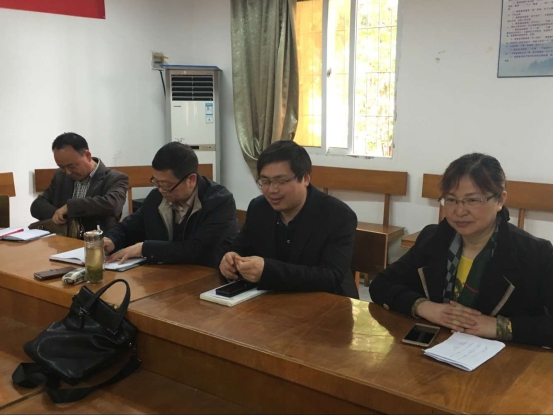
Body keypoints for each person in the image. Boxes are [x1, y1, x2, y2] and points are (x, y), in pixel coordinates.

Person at [369, 153, 552, 347]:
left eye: (472, 200)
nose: (459, 211)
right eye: (451, 200)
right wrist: (425, 307)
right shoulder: (433, 239)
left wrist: (500, 327)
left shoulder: (535, 254)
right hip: (436, 351)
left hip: (507, 360)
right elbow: (381, 284)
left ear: (500, 200)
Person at [219, 140, 359, 298]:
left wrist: (268, 271)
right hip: (271, 301)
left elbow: (330, 276)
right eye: (265, 181)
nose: (272, 190)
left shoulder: (338, 215)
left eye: (281, 181)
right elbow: (240, 248)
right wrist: (230, 260)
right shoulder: (259, 208)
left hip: (327, 302)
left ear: (305, 178)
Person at [104, 142, 238, 268]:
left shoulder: (219, 202)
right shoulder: (156, 198)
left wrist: (144, 248)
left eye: (166, 185)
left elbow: (198, 250)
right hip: (163, 276)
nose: (160, 189)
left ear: (191, 180)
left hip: (205, 277)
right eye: (156, 182)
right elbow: (129, 227)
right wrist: (111, 240)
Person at [30, 133, 129, 236]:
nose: (68, 172)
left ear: (88, 156)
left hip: (98, 242)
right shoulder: (60, 176)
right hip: (63, 241)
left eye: (71, 166)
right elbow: (37, 205)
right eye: (62, 167)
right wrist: (60, 215)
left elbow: (112, 205)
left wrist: (70, 207)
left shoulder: (115, 178)